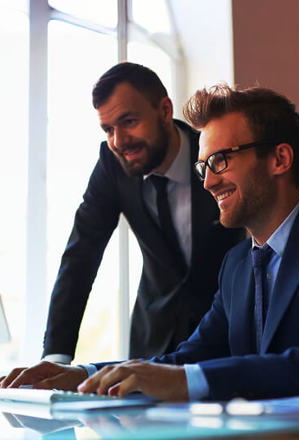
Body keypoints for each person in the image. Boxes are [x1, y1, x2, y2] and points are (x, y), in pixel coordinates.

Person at [1, 84, 299, 401]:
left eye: (220, 161)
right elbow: (189, 358)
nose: (209, 181)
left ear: (279, 160)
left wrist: (188, 381)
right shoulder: (236, 265)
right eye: (203, 167)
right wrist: (84, 374)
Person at [41, 63, 243, 363]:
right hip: (152, 344)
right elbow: (80, 257)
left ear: (164, 111)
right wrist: (55, 357)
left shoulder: (215, 155)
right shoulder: (111, 166)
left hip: (225, 343)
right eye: (108, 129)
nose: (119, 141)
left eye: (129, 121)